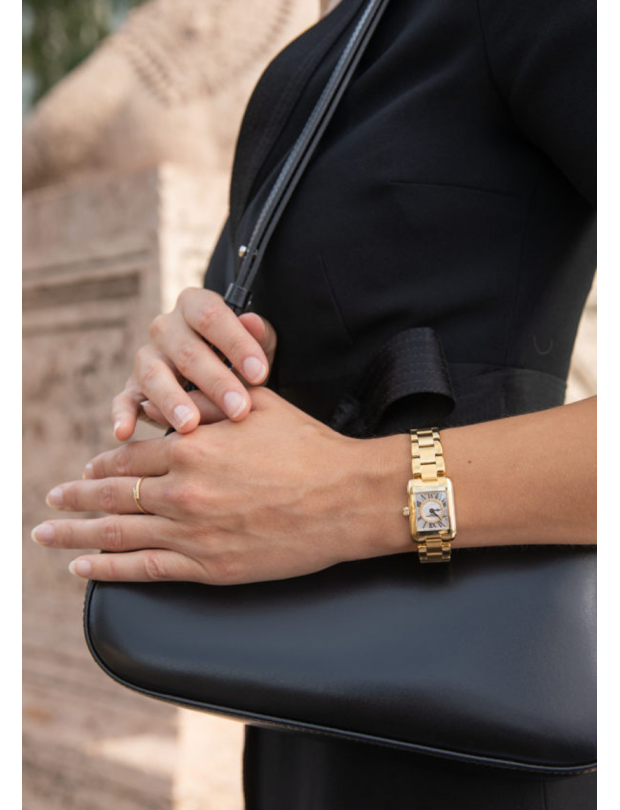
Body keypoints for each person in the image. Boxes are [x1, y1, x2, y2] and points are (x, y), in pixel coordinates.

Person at [32, 0, 596, 807]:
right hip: (303, 701)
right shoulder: (335, 47)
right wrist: (197, 352)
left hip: (481, 715)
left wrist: (351, 495)